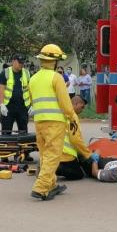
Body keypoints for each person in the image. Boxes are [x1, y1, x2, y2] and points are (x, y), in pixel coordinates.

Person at [29, 44, 78, 201]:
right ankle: (41, 187)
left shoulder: (33, 78)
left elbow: (31, 101)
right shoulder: (56, 77)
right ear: (55, 61)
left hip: (39, 122)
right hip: (55, 122)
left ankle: (51, 185)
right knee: (53, 155)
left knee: (45, 154)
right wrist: (72, 117)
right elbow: (65, 102)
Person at [56, 95, 93, 180]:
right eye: (82, 107)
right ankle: (54, 169)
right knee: (78, 174)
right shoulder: (72, 115)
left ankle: (47, 167)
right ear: (75, 104)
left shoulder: (61, 112)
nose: (82, 110)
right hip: (65, 155)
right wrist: (88, 154)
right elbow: (75, 139)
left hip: (54, 152)